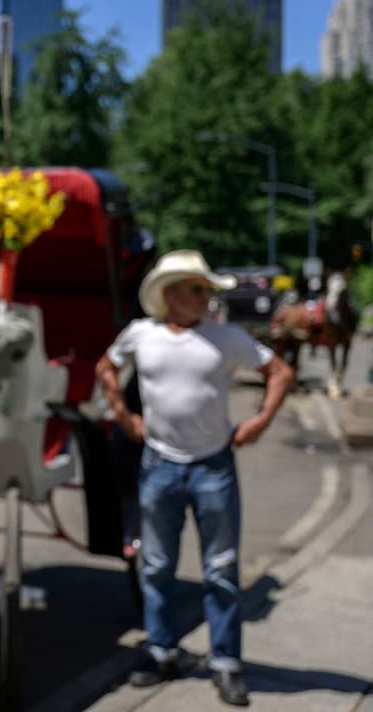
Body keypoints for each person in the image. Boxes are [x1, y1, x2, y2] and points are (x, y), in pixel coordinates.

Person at [95, 249, 294, 707]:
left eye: (206, 289)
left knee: (221, 569)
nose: (206, 297)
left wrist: (260, 422)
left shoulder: (226, 338)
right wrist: (124, 416)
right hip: (159, 464)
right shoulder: (141, 335)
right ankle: (161, 650)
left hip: (212, 465)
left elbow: (279, 372)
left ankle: (225, 662)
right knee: (157, 566)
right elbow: (105, 367)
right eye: (198, 289)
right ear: (170, 295)